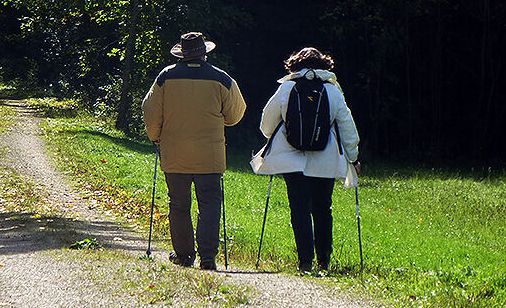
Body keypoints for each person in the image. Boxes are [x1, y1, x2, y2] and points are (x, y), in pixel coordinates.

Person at [142, 32, 246, 270]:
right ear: (205, 53)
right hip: (210, 156)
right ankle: (208, 256)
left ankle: (184, 254)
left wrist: (155, 136)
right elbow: (236, 114)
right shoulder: (222, 78)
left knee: (178, 204)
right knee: (209, 204)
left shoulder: (165, 77)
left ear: (181, 53)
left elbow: (149, 110)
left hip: (174, 153)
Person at [258, 46, 360, 274]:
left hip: (291, 162)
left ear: (294, 65)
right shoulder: (333, 91)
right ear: (325, 65)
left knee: (299, 209)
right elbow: (348, 129)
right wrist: (353, 159)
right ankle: (324, 260)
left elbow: (266, 125)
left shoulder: (287, 87)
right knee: (323, 208)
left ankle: (305, 261)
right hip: (325, 161)